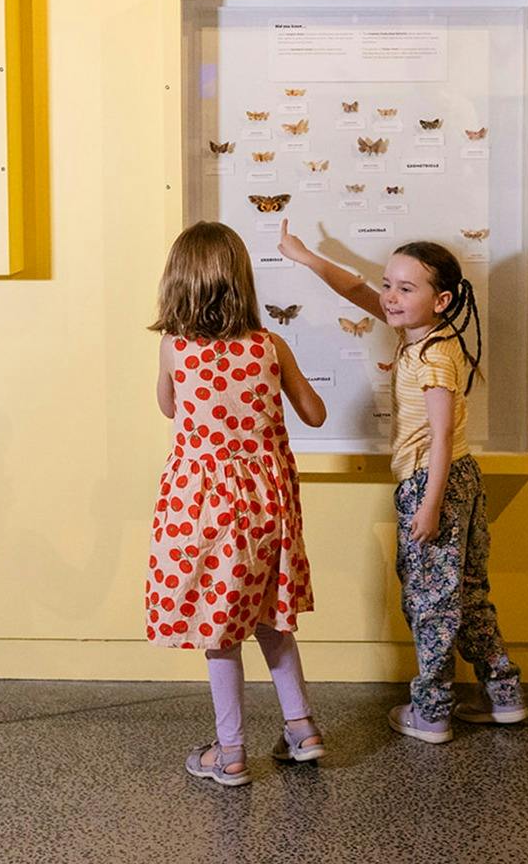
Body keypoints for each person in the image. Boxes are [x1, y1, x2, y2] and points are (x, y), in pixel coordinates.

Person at [277, 220, 527, 742]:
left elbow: (441, 437)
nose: (389, 296)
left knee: (430, 600)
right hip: (458, 482)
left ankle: (432, 711)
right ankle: (503, 695)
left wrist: (430, 506)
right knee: (469, 593)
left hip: (433, 483)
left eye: (405, 288)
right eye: (389, 284)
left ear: (441, 300)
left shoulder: (434, 356)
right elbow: (355, 287)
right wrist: (305, 256)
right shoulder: (418, 337)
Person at [146, 221, 329, 787]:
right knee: (273, 621)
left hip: (202, 512)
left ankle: (229, 753)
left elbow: (169, 408)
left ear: (179, 284)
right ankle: (302, 729)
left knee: (218, 629)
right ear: (242, 281)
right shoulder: (271, 346)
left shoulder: (176, 348)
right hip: (267, 508)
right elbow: (315, 414)